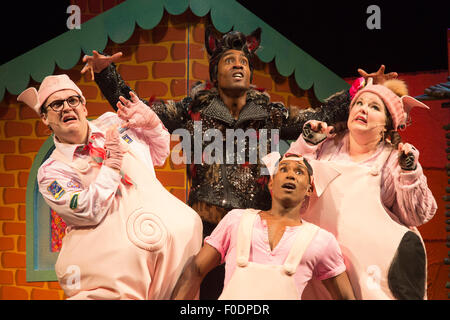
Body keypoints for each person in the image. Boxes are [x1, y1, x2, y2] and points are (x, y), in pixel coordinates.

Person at [81, 26, 396, 299]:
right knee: (197, 288)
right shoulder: (193, 109)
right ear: (215, 72)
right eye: (229, 60)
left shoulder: (269, 113)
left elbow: (318, 118)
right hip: (204, 220)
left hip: (252, 223)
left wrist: (367, 90)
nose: (238, 66)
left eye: (244, 61)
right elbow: (138, 110)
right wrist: (106, 74)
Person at [17, 74, 202, 299]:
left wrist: (153, 125)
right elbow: (85, 211)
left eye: (72, 100)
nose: (66, 108)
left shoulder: (112, 123)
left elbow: (158, 154)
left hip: (173, 252)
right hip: (116, 273)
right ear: (45, 118)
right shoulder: (52, 171)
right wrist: (111, 167)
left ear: (84, 106)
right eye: (56, 104)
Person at [286, 77, 437, 299]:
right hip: (316, 268)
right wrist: (306, 144)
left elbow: (417, 215)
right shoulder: (324, 146)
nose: (363, 109)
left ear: (387, 122)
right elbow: (285, 187)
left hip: (370, 272)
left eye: (374, 107)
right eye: (359, 103)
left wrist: (409, 172)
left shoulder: (393, 159)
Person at [171, 153, 356, 300]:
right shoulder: (236, 220)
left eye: (299, 171)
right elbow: (195, 270)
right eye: (283, 169)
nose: (290, 174)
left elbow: (347, 297)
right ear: (271, 183)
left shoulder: (321, 240)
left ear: (309, 188)